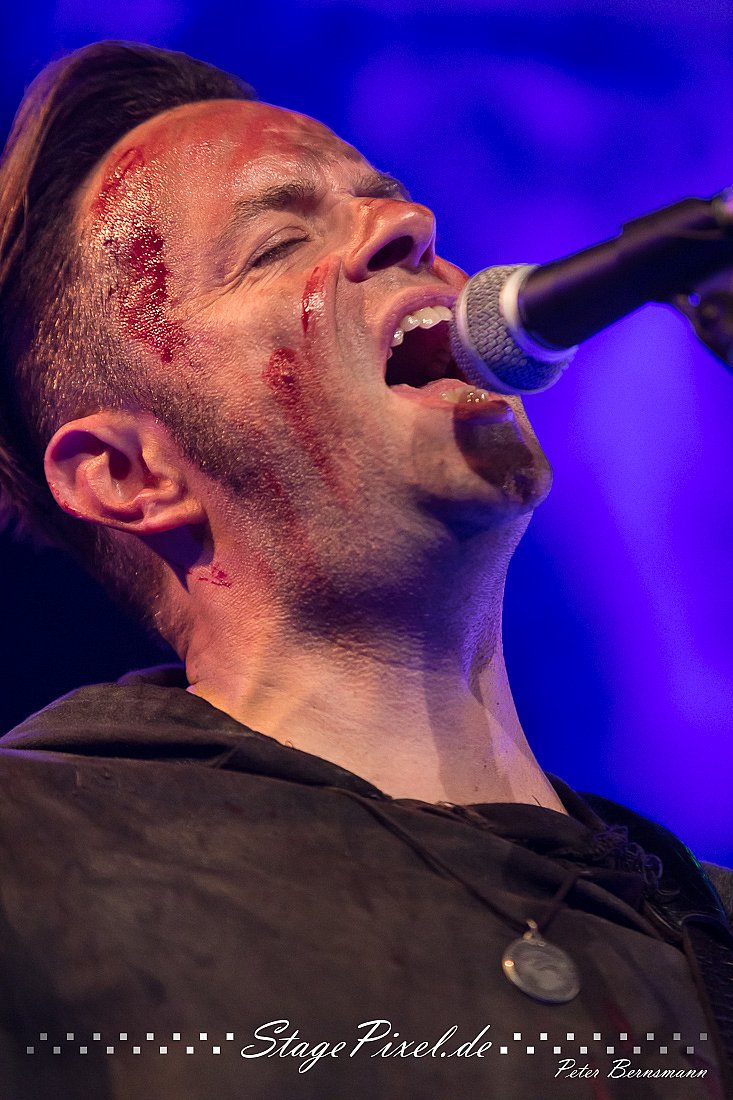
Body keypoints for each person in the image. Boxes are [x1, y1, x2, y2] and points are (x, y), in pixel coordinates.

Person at [0, 41, 730, 1099]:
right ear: (129, 475)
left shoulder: (703, 920)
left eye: (384, 201)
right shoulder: (32, 862)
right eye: (276, 242)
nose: (410, 225)